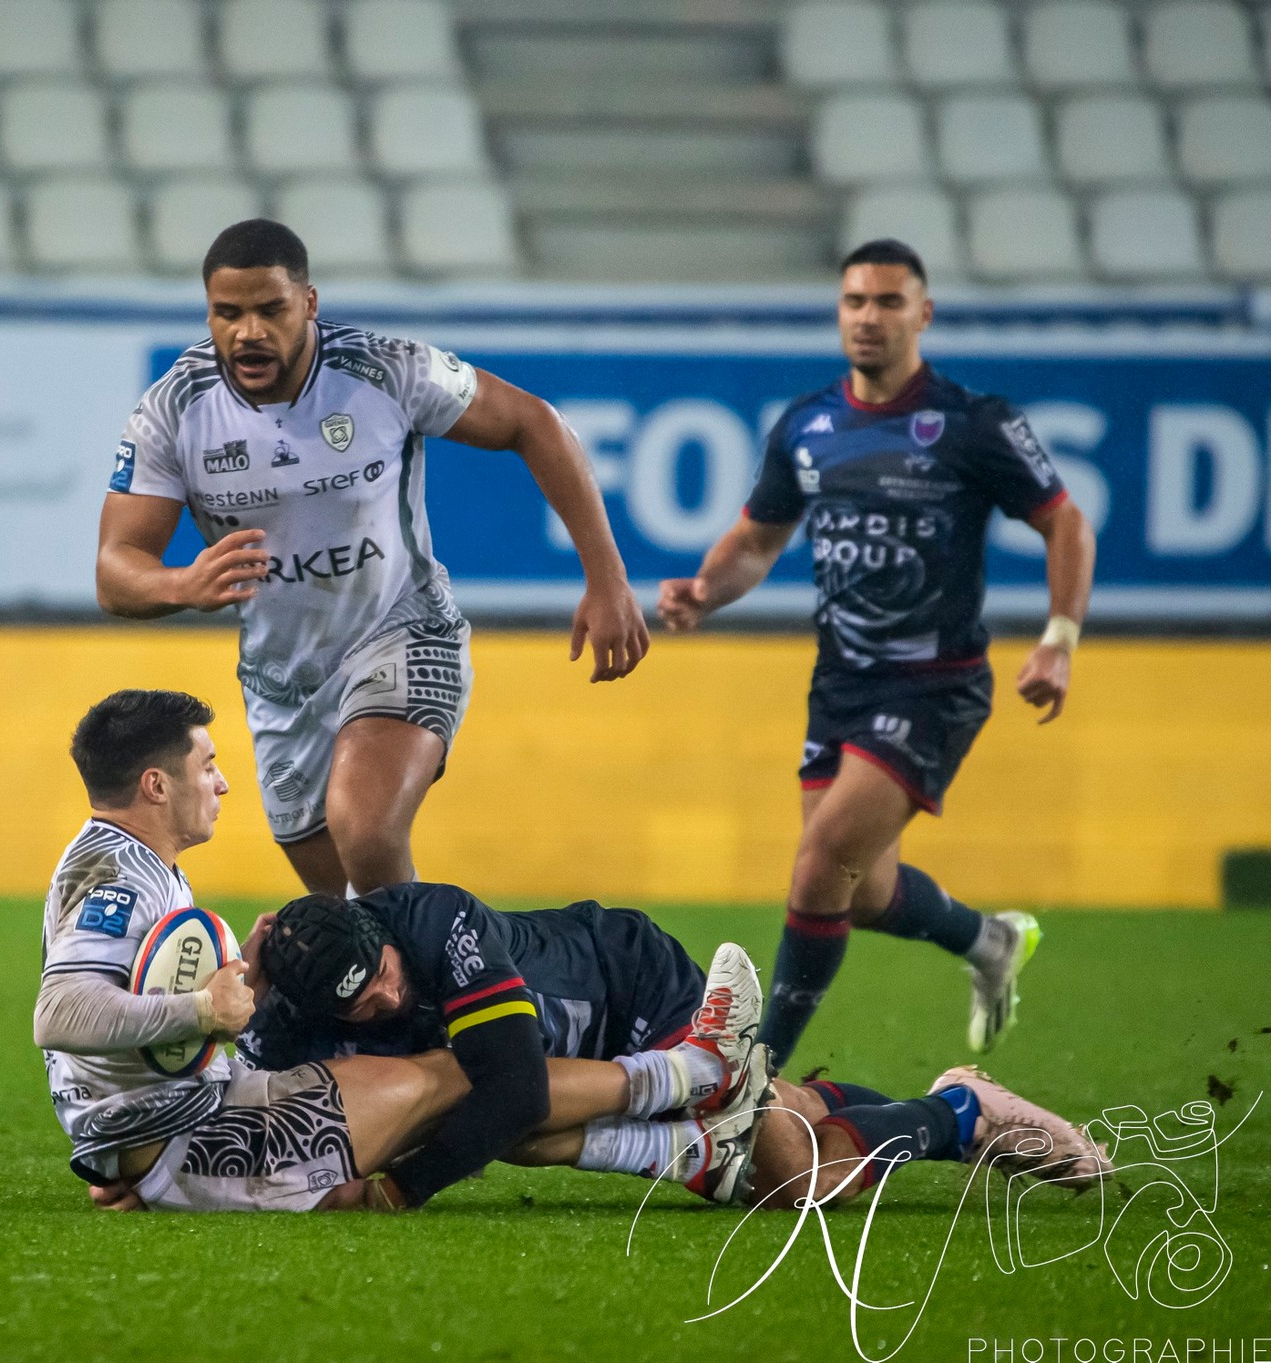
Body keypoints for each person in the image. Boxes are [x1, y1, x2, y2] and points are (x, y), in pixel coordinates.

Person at [36, 688, 753, 1214]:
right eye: (208, 764)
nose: (222, 780)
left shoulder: (123, 858)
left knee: (457, 1096)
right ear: (156, 785)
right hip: (186, 1139)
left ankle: (683, 1152)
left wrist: (111, 1149)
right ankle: (694, 1071)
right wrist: (200, 1009)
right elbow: (60, 1012)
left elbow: (111, 1047)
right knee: (468, 1077)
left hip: (173, 1132)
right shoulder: (117, 875)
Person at [96, 220, 649, 900]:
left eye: (270, 310)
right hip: (283, 683)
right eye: (227, 313)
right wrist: (180, 581)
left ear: (310, 304)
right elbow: (116, 568)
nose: (248, 332)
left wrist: (607, 578)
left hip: (403, 633)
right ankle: (472, 988)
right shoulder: (174, 410)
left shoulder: (385, 369)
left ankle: (479, 987)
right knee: (353, 929)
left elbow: (532, 421)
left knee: (364, 829)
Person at [658, 238, 1096, 1068]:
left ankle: (750, 1074)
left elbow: (1064, 521)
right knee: (860, 891)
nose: (869, 317)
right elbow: (758, 537)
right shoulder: (810, 425)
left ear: (923, 314)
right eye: (856, 301)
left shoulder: (975, 424)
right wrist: (706, 590)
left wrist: (1059, 641)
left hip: (935, 685)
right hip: (841, 685)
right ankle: (988, 940)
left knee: (820, 862)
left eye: (889, 302)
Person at [241, 891, 1111, 1214]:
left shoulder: (439, 924)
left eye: (386, 974)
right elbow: (244, 1077)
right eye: (364, 1003)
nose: (388, 997)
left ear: (378, 930)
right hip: (580, 1063)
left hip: (635, 987)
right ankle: (751, 1103)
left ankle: (954, 1112)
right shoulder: (308, 1004)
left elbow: (515, 1096)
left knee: (796, 1179)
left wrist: (399, 1189)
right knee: (788, 1125)